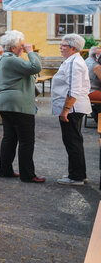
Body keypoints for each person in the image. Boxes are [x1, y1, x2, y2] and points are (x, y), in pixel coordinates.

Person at [0, 30, 44, 183]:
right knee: (26, 140)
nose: (23, 48)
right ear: (13, 47)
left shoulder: (5, 58)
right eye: (21, 46)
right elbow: (36, 67)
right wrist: (31, 52)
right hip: (18, 105)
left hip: (7, 103)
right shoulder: (11, 59)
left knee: (10, 138)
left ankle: (6, 170)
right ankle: (27, 174)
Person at [52, 34, 91, 186]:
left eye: (63, 45)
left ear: (73, 48)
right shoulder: (73, 61)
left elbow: (73, 90)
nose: (60, 48)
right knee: (75, 141)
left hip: (72, 109)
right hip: (74, 107)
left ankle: (76, 177)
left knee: (72, 141)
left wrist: (65, 111)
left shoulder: (74, 63)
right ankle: (79, 173)